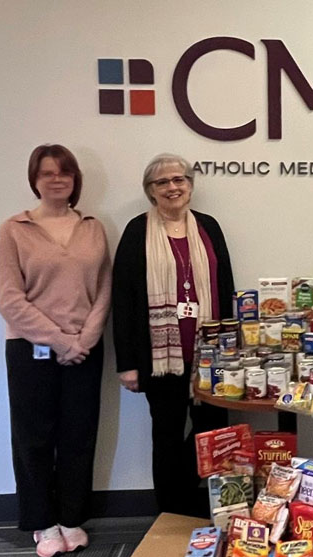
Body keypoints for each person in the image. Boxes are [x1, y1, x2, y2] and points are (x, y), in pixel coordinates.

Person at [0, 144, 111, 557]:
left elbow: (103, 291)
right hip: (30, 351)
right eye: (47, 173)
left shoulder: (93, 227)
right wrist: (62, 341)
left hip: (85, 348)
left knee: (78, 435)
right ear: (35, 179)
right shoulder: (14, 228)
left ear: (75, 179)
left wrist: (85, 340)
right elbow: (10, 300)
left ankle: (70, 518)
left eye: (64, 172)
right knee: (33, 437)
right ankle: (42, 522)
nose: (56, 179)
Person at [112, 154, 234, 516]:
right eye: (162, 182)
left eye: (179, 179)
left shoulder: (209, 227)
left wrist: (233, 347)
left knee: (212, 431)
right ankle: (169, 510)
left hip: (211, 354)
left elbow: (226, 287)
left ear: (191, 185)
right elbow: (123, 299)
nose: (172, 187)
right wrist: (128, 364)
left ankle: (195, 502)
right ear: (150, 191)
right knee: (165, 435)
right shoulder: (137, 231)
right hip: (159, 357)